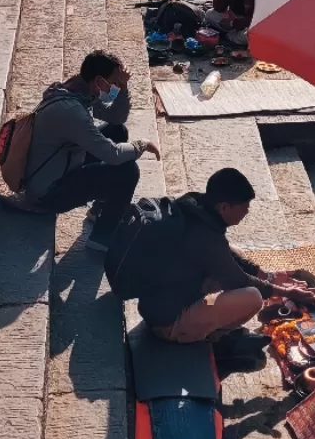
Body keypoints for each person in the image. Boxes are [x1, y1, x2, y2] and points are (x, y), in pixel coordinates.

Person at [23, 51, 160, 248]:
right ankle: (102, 238)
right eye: (113, 82)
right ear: (99, 81)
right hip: (48, 193)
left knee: (116, 131)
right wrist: (142, 144)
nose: (114, 86)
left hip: (63, 163)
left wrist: (123, 88)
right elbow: (112, 154)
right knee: (127, 171)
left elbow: (116, 118)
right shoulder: (71, 111)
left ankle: (100, 210)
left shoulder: (77, 90)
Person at [136, 168, 276, 341]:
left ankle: (202, 317)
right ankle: (208, 334)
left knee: (233, 253)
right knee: (253, 297)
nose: (247, 212)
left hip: (157, 303)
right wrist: (286, 292)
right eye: (244, 208)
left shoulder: (193, 207)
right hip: (169, 323)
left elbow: (225, 255)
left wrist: (266, 274)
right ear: (224, 207)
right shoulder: (204, 238)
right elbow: (239, 281)